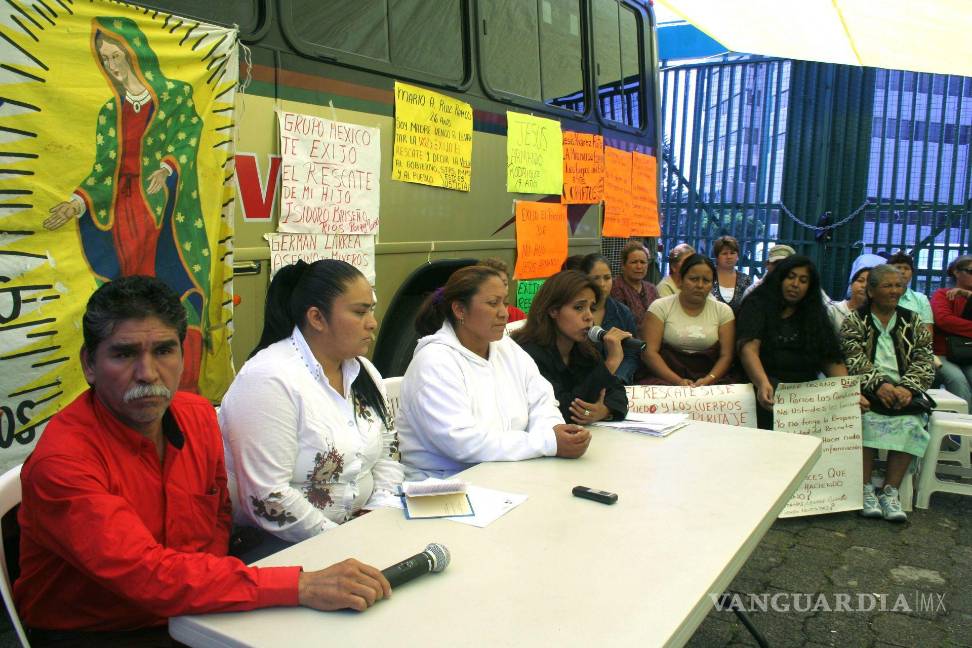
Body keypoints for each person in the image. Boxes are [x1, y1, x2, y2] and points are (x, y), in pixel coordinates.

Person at [14, 276, 391, 645]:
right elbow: (146, 576)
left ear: (183, 354)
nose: (147, 373)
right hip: (101, 631)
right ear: (89, 365)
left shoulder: (195, 417)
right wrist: (301, 584)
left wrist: (220, 588)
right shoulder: (64, 461)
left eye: (163, 351)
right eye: (124, 353)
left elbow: (216, 521)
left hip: (200, 604)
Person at [43, 18, 211, 392]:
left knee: (171, 291)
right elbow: (103, 168)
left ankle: (180, 385)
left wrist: (166, 169)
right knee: (129, 302)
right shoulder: (109, 110)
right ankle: (127, 383)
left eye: (117, 55)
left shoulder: (175, 93)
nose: (112, 65)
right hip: (123, 213)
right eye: (105, 59)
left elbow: (187, 137)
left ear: (135, 52)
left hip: (164, 213)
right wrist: (76, 203)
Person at [219, 260, 403, 561]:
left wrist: (376, 515)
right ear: (317, 318)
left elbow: (388, 455)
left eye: (371, 309)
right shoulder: (269, 379)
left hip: (358, 535)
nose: (372, 322)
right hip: (281, 546)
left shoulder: (363, 371)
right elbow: (269, 497)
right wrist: (345, 542)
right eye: (360, 312)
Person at [398, 265, 591, 478]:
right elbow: (461, 441)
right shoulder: (434, 362)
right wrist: (547, 442)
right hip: (444, 482)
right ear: (460, 310)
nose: (504, 313)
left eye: (505, 302)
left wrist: (554, 432)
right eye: (493, 303)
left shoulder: (507, 349)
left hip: (508, 472)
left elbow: (542, 401)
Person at [841, 264, 935, 522]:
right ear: (871, 291)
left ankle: (890, 491)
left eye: (898, 286)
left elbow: (924, 359)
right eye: (888, 286)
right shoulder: (855, 320)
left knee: (912, 422)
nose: (895, 291)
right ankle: (865, 489)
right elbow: (853, 358)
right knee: (865, 419)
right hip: (868, 389)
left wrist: (907, 387)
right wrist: (879, 384)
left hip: (904, 389)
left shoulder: (912, 320)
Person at [737, 256, 850, 429]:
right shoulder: (757, 304)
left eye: (803, 280)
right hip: (763, 388)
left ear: (810, 287)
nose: (795, 284)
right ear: (780, 278)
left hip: (803, 397)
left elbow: (830, 357)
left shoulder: (814, 313)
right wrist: (762, 383)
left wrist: (849, 393)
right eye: (791, 277)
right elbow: (748, 349)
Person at [512, 271, 629, 424]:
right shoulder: (528, 352)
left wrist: (603, 411)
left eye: (591, 308)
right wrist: (611, 363)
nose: (589, 317)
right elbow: (563, 410)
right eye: (579, 308)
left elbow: (617, 393)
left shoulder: (585, 349)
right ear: (553, 310)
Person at [640, 254, 736, 386]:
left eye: (706, 280)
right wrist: (677, 381)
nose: (700, 285)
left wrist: (710, 378)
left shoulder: (723, 311)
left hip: (711, 380)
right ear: (680, 280)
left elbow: (726, 355)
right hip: (665, 378)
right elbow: (649, 352)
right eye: (694, 279)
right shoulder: (659, 307)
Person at [580, 253, 641, 384]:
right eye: (595, 278)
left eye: (607, 278)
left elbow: (631, 356)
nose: (602, 284)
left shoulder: (623, 312)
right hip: (582, 383)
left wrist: (617, 378)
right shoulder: (576, 314)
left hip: (618, 383)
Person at [930, 255, 972, 406]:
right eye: (971, 271)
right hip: (944, 352)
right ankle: (964, 425)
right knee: (957, 380)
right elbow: (944, 321)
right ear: (956, 272)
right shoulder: (943, 294)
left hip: (968, 353)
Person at [828, 254, 884, 332]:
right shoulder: (833, 311)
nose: (864, 286)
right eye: (860, 280)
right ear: (851, 284)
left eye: (870, 282)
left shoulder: (880, 317)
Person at [610, 241, 659, 326]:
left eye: (643, 262)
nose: (639, 267)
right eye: (634, 262)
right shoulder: (615, 287)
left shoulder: (651, 289)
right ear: (623, 265)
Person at [887, 251, 935, 336]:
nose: (902, 271)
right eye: (898, 268)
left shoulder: (921, 299)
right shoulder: (879, 296)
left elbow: (928, 333)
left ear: (912, 273)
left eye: (906, 268)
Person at [711, 235, 753, 313]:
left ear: (737, 256)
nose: (729, 257)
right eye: (724, 253)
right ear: (717, 257)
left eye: (732, 253)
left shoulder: (746, 280)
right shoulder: (708, 277)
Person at [479, 257, 526, 322]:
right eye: (493, 285)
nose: (500, 289)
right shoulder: (477, 315)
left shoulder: (517, 315)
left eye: (504, 284)